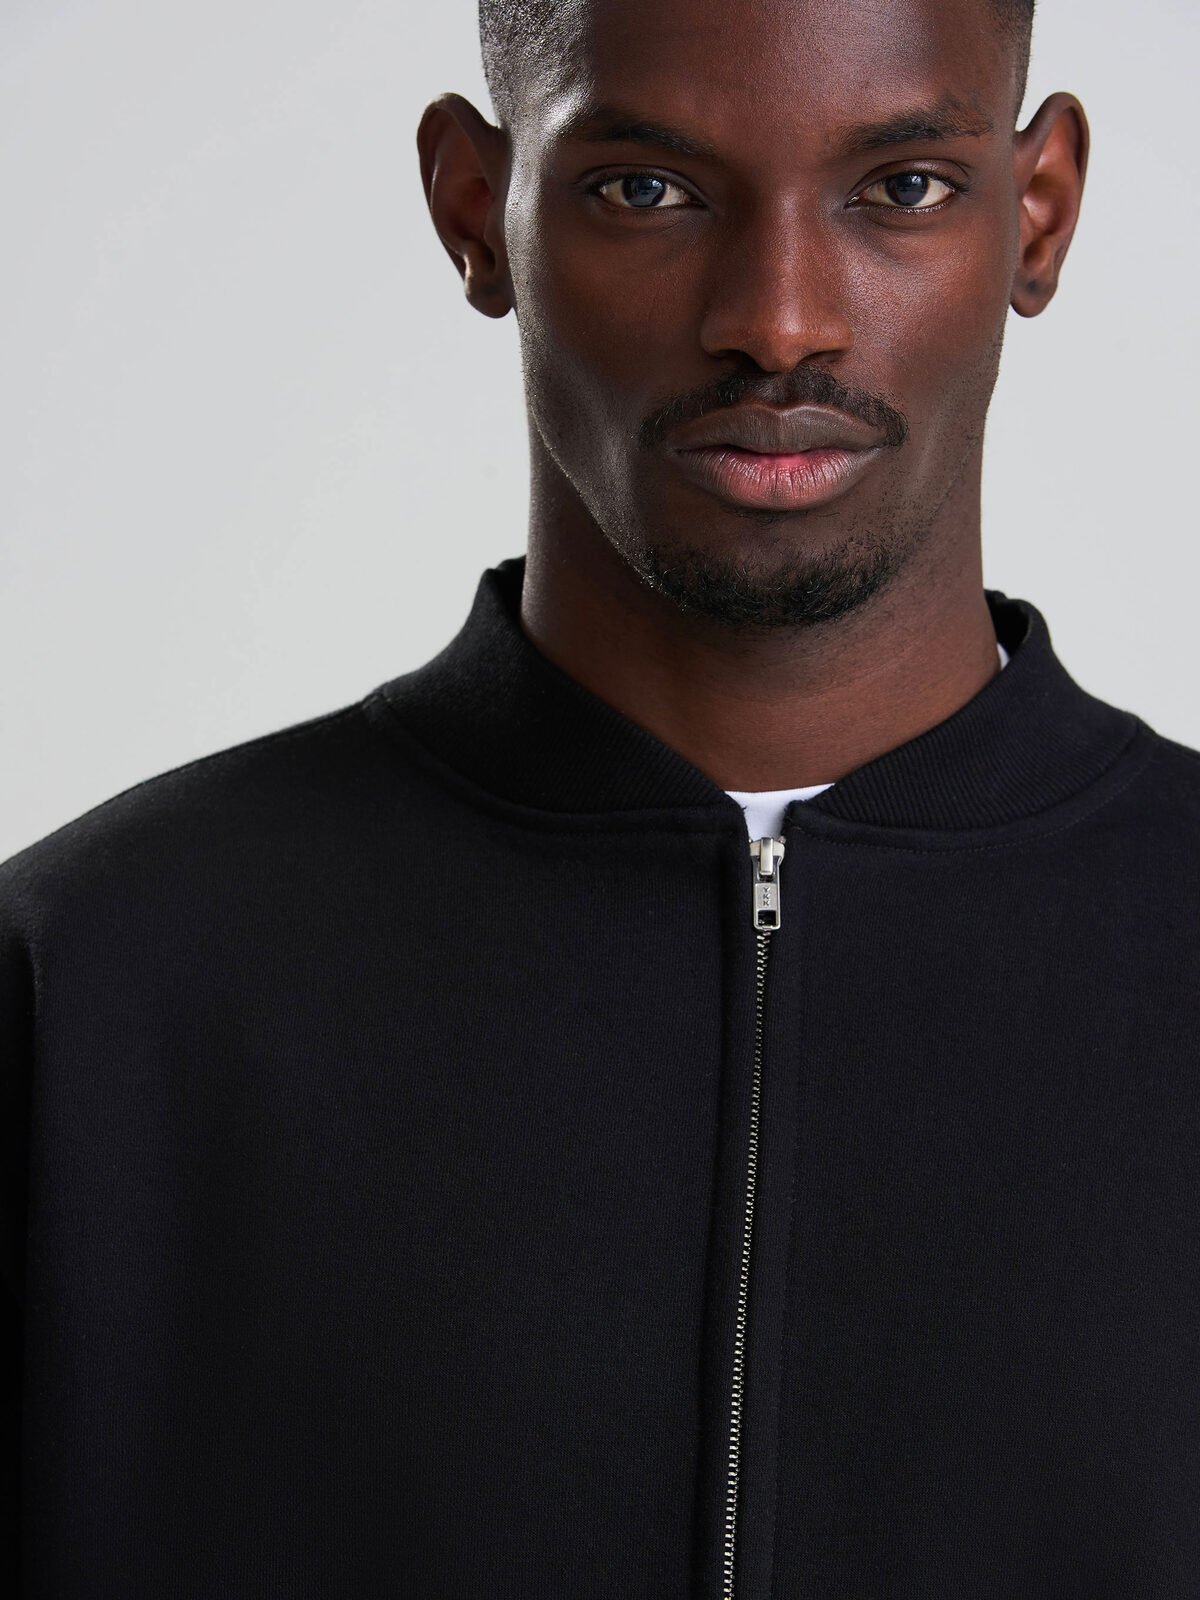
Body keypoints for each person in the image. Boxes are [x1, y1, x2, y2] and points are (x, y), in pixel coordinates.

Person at [2, 0, 1197, 1593]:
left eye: (901, 187)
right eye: (649, 189)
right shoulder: (88, 989)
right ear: (474, 208)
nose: (778, 321)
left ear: (1037, 212)